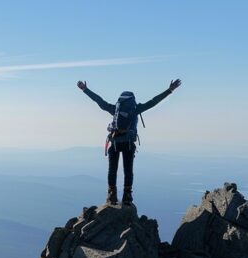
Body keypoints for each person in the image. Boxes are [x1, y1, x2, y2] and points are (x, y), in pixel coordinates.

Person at [76, 78, 182, 206]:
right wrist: (170, 90)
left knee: (112, 170)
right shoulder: (135, 109)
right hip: (128, 144)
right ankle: (127, 197)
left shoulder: (115, 109)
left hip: (114, 142)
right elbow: (154, 101)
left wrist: (85, 90)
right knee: (128, 170)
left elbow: (99, 101)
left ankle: (112, 196)